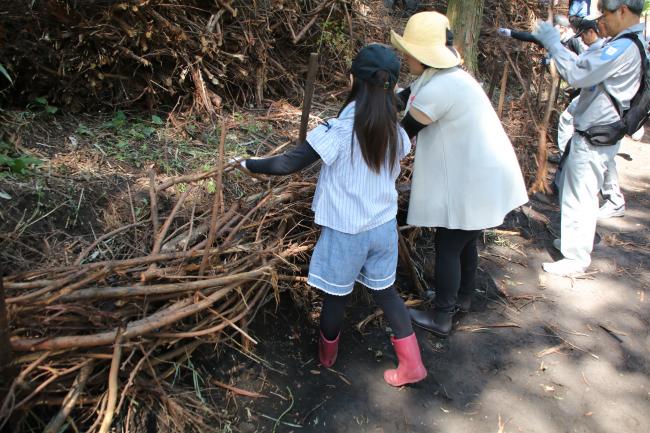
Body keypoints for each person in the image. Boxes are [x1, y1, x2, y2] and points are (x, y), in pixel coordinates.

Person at [235, 44, 427, 387]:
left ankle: (326, 358)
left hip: (346, 232)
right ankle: (412, 364)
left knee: (336, 296)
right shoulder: (396, 133)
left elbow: (289, 163)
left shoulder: (339, 131)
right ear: (390, 88)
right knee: (387, 293)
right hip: (384, 228)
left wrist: (249, 164)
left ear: (354, 79)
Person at [390, 12, 529, 337]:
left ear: (424, 55)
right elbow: (401, 98)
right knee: (464, 242)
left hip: (477, 179)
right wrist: (375, 94)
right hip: (480, 176)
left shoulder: (441, 88)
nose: (405, 56)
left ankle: (442, 317)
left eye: (409, 50)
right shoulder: (442, 77)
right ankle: (461, 300)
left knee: (448, 246)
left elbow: (401, 135)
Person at [532, 0, 647, 275]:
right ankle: (574, 244)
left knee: (580, 195)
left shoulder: (625, 46)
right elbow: (593, 67)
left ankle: (576, 258)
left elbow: (578, 74)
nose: (602, 19)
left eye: (606, 13)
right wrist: (594, 47)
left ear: (622, 10)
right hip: (601, 131)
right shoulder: (629, 43)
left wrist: (554, 44)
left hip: (596, 134)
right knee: (579, 191)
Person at [555, 15, 629, 219]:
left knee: (583, 188)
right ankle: (613, 199)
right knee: (602, 162)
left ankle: (613, 200)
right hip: (604, 120)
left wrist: (555, 49)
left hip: (600, 121)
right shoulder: (610, 47)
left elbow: (578, 75)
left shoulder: (614, 49)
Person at [498, 14, 586, 55]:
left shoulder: (574, 40)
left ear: (563, 29)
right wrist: (510, 33)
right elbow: (532, 37)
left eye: (555, 26)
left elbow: (585, 59)